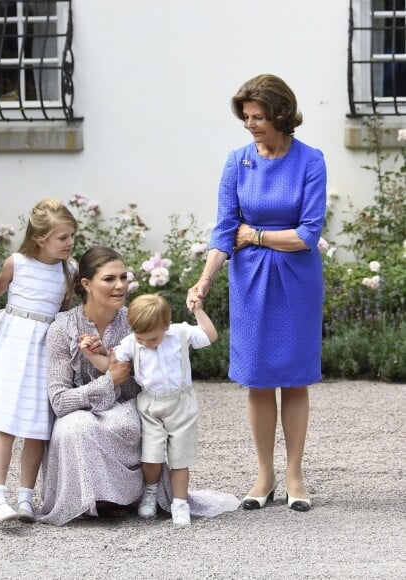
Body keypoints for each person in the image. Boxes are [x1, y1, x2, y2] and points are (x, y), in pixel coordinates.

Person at [187, 74, 327, 512]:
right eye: (246, 117)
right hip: (250, 281)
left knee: (295, 377)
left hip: (297, 280)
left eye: (259, 117)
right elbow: (226, 228)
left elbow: (308, 234)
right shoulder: (237, 161)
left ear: (282, 115)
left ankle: (295, 475)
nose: (250, 125)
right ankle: (265, 474)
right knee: (259, 378)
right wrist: (205, 278)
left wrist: (260, 235)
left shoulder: (311, 160)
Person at [38, 247, 239, 525]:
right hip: (78, 408)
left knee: (126, 424)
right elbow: (59, 401)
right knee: (76, 427)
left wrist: (116, 373)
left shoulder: (136, 320)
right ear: (86, 284)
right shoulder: (63, 328)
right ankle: (89, 499)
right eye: (109, 279)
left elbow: (143, 384)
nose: (120, 286)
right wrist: (108, 380)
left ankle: (127, 496)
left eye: (123, 277)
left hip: (130, 403)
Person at [0, 198, 77, 523]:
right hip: (16, 346)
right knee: (8, 424)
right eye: (63, 238)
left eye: (72, 236)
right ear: (41, 239)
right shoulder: (18, 262)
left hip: (47, 348)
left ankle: (26, 498)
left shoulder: (68, 270)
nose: (70, 243)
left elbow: (65, 311)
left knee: (38, 427)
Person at [82, 293, 218, 526]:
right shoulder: (131, 343)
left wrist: (198, 311)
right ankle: (151, 491)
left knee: (179, 458)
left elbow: (210, 335)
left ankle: (180, 503)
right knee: (151, 455)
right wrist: (91, 355)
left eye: (152, 339)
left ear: (166, 326)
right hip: (150, 405)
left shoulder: (180, 333)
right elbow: (110, 367)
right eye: (141, 338)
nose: (145, 343)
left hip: (181, 404)